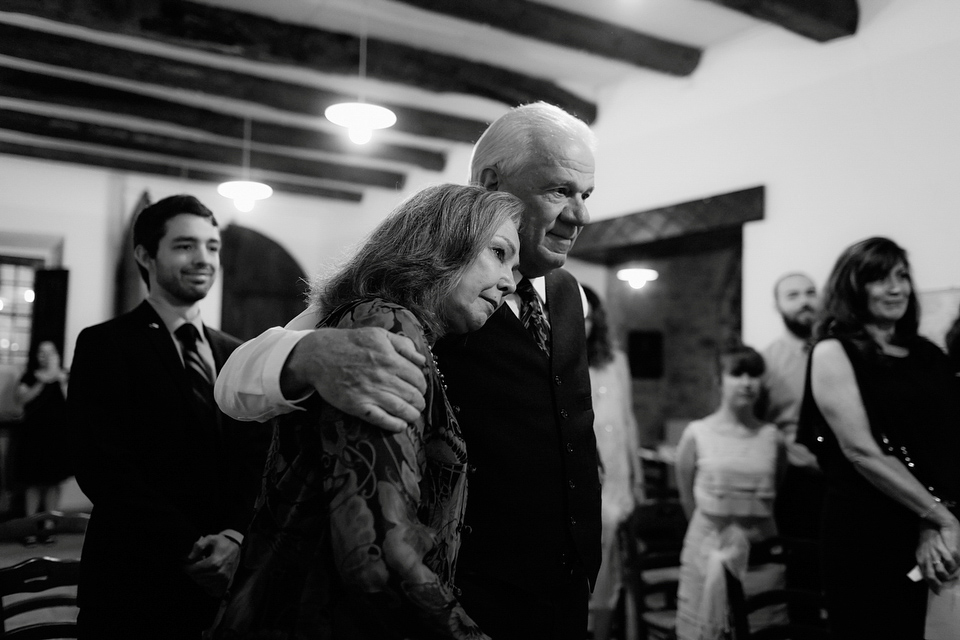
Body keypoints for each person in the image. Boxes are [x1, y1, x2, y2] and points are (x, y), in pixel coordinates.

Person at [215, 101, 602, 639]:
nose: (580, 215)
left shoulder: (570, 296)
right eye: (559, 191)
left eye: (586, 195)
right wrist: (308, 355)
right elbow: (233, 381)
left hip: (563, 592)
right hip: (457, 599)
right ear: (492, 182)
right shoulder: (417, 297)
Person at [215, 183, 521, 639]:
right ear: (441, 241)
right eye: (499, 253)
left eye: (515, 266)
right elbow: (377, 555)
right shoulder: (385, 323)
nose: (510, 280)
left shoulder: (414, 328)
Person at [68, 194, 271, 639]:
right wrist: (188, 547)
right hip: (133, 579)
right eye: (184, 245)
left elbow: (256, 460)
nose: (203, 259)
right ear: (145, 255)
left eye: (212, 246)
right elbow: (102, 466)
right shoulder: (105, 344)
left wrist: (235, 537)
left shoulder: (235, 352)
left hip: (226, 582)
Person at [797, 236, 960, 639]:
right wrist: (939, 515)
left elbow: (947, 442)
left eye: (902, 276)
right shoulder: (834, 352)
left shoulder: (927, 354)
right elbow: (861, 451)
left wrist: (933, 521)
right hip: (866, 530)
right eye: (880, 279)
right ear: (853, 287)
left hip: (929, 521)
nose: (896, 288)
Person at [675, 346, 787, 640]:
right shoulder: (697, 433)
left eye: (754, 374)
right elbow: (687, 495)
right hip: (707, 549)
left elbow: (778, 487)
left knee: (764, 630)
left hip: (761, 555)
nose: (747, 382)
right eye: (737, 374)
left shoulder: (773, 437)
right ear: (719, 380)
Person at [757, 273, 825, 624]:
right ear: (778, 305)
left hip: (845, 480)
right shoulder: (767, 362)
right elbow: (758, 427)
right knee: (802, 581)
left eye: (810, 292)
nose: (804, 301)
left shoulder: (838, 350)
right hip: (798, 485)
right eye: (793, 294)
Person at [582, 285, 643, 640]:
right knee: (597, 563)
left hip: (619, 473)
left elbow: (627, 418)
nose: (585, 325)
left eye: (591, 318)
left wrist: (637, 477)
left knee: (621, 561)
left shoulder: (616, 359)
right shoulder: (560, 358)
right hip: (591, 477)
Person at [14, 340, 72, 526]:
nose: (45, 357)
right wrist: (42, 380)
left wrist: (60, 380)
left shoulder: (65, 376)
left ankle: (49, 524)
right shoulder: (30, 376)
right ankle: (30, 525)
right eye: (41, 353)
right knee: (33, 481)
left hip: (57, 434)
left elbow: (74, 402)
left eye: (49, 353)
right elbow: (22, 399)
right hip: (33, 434)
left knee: (53, 481)